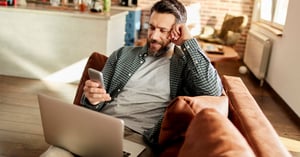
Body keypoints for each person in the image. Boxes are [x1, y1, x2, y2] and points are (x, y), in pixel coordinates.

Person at [40, 0, 223, 156]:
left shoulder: (183, 66)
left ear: (177, 31)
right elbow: (96, 100)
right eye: (151, 27)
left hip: (139, 138)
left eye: (162, 30)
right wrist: (92, 98)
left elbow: (212, 91)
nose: (153, 36)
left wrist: (189, 42)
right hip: (99, 127)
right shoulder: (123, 54)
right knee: (54, 153)